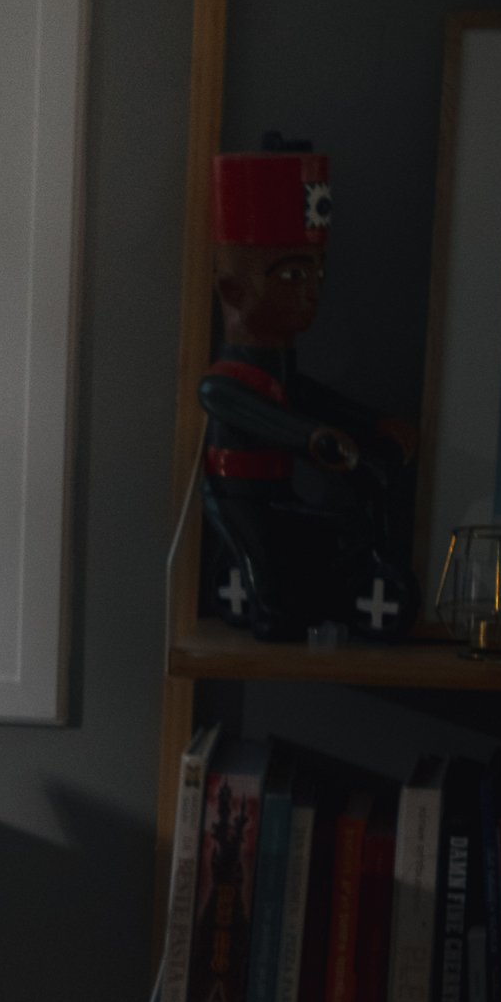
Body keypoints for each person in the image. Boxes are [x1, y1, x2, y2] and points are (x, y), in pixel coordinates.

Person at [196, 142, 422, 643]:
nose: (312, 292)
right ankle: (269, 605)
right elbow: (266, 414)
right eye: (295, 275)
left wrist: (373, 423)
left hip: (277, 489)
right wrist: (312, 438)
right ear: (233, 290)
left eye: (317, 273)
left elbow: (310, 398)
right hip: (239, 496)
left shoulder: (280, 375)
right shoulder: (223, 383)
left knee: (318, 534)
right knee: (274, 596)